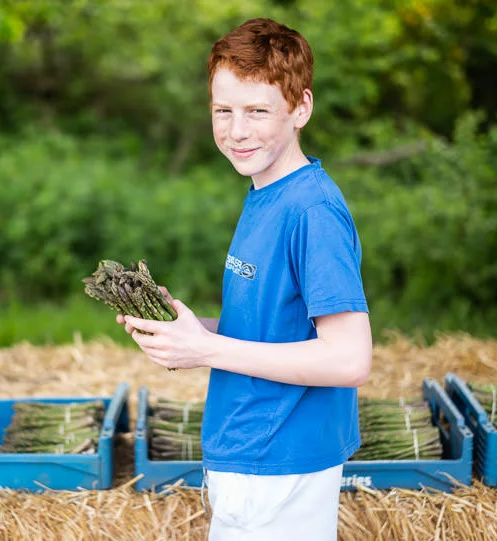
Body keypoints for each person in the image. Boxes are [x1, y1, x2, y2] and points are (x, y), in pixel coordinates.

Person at [116, 17, 372, 541]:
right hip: (252, 455)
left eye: (258, 111)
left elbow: (349, 359)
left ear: (301, 108)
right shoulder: (266, 192)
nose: (236, 130)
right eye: (223, 110)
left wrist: (206, 350)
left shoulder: (312, 210)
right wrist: (189, 329)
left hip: (280, 464)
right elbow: (276, 326)